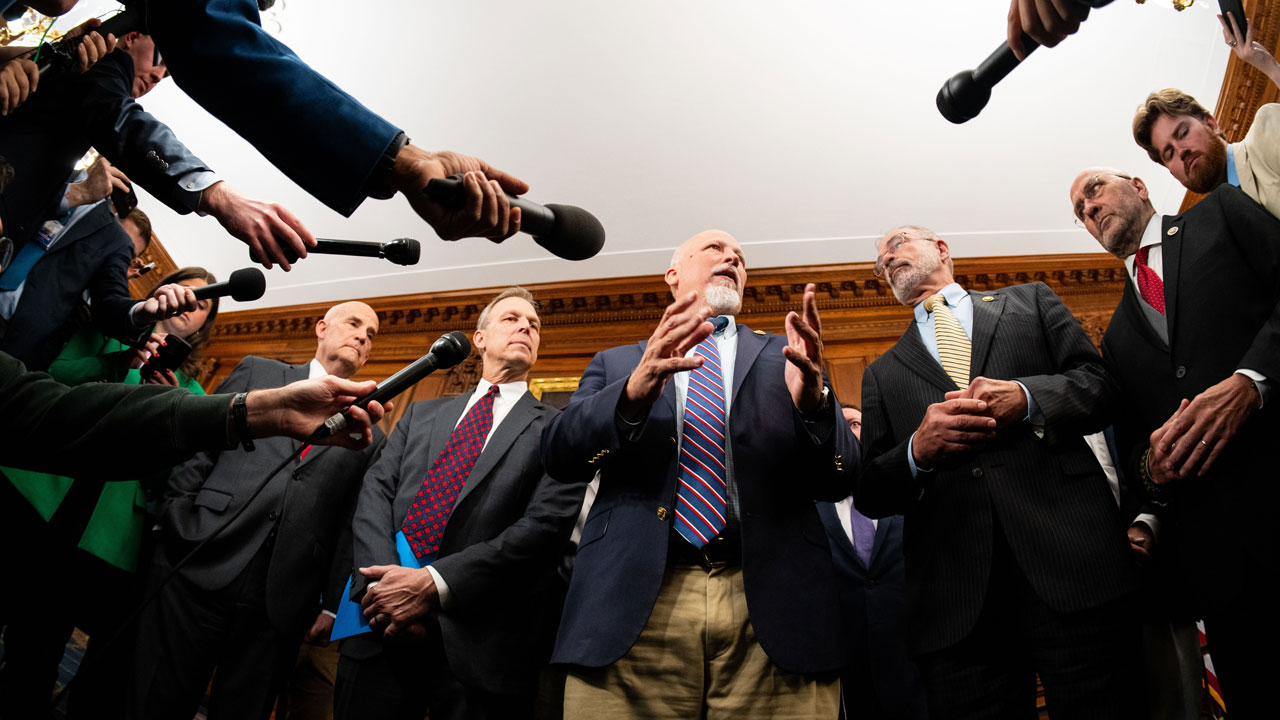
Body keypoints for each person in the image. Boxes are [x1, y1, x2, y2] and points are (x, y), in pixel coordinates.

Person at [541, 229, 857, 719]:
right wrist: (631, 394)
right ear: (673, 275)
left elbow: (841, 478)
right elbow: (560, 456)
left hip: (776, 606)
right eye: (715, 249)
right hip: (632, 603)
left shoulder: (789, 356)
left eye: (740, 257)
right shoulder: (619, 362)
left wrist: (815, 407)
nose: (731, 257)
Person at [854, 226, 1140, 718]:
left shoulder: (1029, 302)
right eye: (881, 262)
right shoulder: (882, 371)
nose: (887, 259)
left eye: (897, 243)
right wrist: (917, 451)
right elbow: (872, 492)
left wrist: (1028, 398)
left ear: (941, 249)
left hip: (1072, 566)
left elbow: (1101, 387)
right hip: (958, 603)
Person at [1068, 168, 1280, 715]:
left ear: (1139, 185)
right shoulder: (1114, 335)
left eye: (1094, 190)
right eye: (1079, 211)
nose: (1088, 208)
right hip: (1220, 564)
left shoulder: (1223, 212)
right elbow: (1137, 450)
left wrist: (1252, 381)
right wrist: (1152, 469)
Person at [129, 301, 387, 720]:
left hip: (282, 601)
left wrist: (330, 607)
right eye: (354, 323)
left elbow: (348, 526)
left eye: (371, 334)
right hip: (198, 559)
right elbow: (201, 444)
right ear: (322, 328)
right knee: (154, 698)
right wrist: (174, 516)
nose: (362, 336)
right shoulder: (259, 371)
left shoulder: (370, 434)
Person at [339, 287, 586, 720]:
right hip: (378, 626)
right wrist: (383, 592)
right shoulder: (422, 414)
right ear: (480, 339)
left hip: (479, 645)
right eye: (511, 318)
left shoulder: (558, 429)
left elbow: (544, 526)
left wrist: (433, 585)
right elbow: (375, 494)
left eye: (534, 325)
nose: (526, 327)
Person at [0, 266, 220, 719]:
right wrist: (121, 362)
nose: (193, 305)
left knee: (38, 654)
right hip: (36, 500)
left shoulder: (193, 394)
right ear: (160, 293)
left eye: (205, 305)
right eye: (190, 293)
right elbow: (52, 376)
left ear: (203, 326)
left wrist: (167, 418)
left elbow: (171, 484)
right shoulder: (104, 331)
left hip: (97, 540)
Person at [0, 28, 319, 271]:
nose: (157, 76)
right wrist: (217, 195)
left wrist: (79, 192)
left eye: (166, 75)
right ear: (132, 36)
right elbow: (121, 118)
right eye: (160, 60)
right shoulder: (108, 64)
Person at [816, 405, 927, 720]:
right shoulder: (809, 507)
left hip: (912, 657)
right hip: (847, 670)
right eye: (841, 426)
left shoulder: (906, 491)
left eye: (855, 423)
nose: (849, 432)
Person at [1132, 83, 1280, 220]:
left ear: (1211, 124)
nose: (1180, 151)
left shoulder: (1266, 128)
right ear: (1172, 174)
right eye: (1169, 154)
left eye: (1183, 133)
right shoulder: (1213, 228)